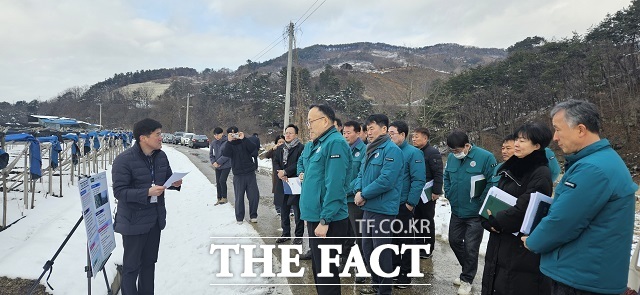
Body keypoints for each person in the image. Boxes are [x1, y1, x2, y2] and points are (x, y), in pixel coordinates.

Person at [523, 99, 638, 295]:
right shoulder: (601, 161)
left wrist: (533, 241)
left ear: (581, 130)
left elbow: (563, 221)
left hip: (580, 279)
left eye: (558, 130)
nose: (555, 137)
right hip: (588, 273)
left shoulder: (593, 169)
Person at [480, 122, 553, 295]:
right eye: (517, 139)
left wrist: (497, 221)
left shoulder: (540, 172)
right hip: (499, 239)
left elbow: (526, 208)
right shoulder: (511, 167)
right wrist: (486, 218)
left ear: (537, 145)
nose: (517, 144)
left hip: (519, 247)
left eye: (523, 141)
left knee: (511, 285)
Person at [112, 118, 183, 295]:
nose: (161, 138)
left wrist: (174, 182)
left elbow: (165, 177)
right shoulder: (124, 160)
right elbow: (120, 192)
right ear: (143, 138)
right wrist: (146, 192)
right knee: (131, 267)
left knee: (149, 264)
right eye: (157, 134)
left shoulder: (161, 156)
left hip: (154, 220)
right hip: (133, 222)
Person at [298, 104, 351, 295]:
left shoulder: (335, 143)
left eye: (311, 121)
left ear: (325, 121)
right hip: (315, 216)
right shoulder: (318, 144)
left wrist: (325, 219)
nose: (309, 125)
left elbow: (335, 185)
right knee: (319, 270)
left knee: (327, 273)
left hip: (329, 220)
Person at [354, 114, 404, 295]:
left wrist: (364, 194)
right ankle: (376, 284)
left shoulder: (392, 151)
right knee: (368, 249)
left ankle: (385, 290)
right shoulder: (370, 149)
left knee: (381, 252)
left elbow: (386, 180)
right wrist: (358, 190)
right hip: (368, 207)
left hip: (383, 210)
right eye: (367, 129)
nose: (369, 132)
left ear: (384, 129)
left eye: (372, 128)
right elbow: (361, 173)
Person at [444, 130, 497, 295]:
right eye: (452, 151)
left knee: (471, 247)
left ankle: (466, 279)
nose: (455, 154)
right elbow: (446, 177)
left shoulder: (486, 157)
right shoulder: (452, 158)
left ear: (467, 145)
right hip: (457, 210)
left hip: (475, 213)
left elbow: (492, 181)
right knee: (454, 241)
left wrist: (481, 202)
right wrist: (450, 194)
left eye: (458, 150)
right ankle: (467, 270)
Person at [389, 121, 426, 289]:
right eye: (388, 133)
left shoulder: (413, 153)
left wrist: (411, 203)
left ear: (403, 135)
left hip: (404, 204)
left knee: (405, 240)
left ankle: (405, 273)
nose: (389, 136)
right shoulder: (389, 151)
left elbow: (418, 180)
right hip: (389, 204)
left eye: (393, 133)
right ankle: (395, 270)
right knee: (392, 240)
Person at [340, 120, 367, 283]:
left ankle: (363, 268)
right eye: (344, 133)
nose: (346, 135)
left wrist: (347, 190)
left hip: (354, 199)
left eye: (349, 132)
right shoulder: (343, 149)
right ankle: (345, 261)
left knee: (360, 235)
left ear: (358, 133)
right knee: (344, 233)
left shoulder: (364, 151)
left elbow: (360, 176)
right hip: (342, 199)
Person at [411, 127, 444, 259]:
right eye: (413, 136)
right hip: (416, 193)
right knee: (416, 220)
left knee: (427, 220)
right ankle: (418, 244)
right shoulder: (415, 152)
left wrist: (436, 191)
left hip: (428, 193)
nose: (414, 139)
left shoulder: (432, 152)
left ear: (425, 138)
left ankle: (427, 248)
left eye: (417, 136)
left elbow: (438, 173)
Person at [222, 126, 260, 224]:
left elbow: (254, 150)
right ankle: (239, 217)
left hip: (250, 173)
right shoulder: (228, 144)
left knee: (254, 196)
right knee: (239, 197)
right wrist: (229, 141)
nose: (234, 136)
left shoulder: (245, 141)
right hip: (238, 174)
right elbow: (225, 153)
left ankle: (253, 215)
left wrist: (244, 138)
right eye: (232, 134)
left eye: (235, 133)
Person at [274, 124, 304, 244]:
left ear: (296, 134)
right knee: (284, 209)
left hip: (295, 182)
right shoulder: (280, 148)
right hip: (282, 181)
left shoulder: (301, 148)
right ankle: (285, 233)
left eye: (290, 133)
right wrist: (280, 173)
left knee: (297, 210)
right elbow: (276, 161)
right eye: (286, 132)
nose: (288, 135)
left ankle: (299, 235)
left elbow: (299, 163)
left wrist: (286, 171)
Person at [210, 127, 231, 205]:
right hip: (217, 166)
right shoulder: (213, 143)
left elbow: (227, 154)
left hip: (226, 165)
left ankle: (224, 197)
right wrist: (213, 162)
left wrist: (218, 162)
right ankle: (219, 198)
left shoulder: (227, 142)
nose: (216, 136)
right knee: (218, 182)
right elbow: (211, 154)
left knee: (222, 180)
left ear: (222, 134)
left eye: (217, 135)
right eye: (215, 135)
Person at [265, 135, 286, 215]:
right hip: (276, 173)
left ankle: (289, 208)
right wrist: (273, 149)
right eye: (279, 142)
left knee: (287, 190)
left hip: (285, 172)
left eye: (282, 142)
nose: (281, 144)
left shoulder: (286, 149)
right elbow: (266, 156)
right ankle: (278, 207)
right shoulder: (274, 150)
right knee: (277, 190)